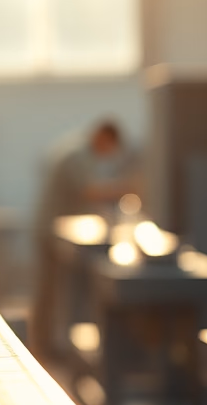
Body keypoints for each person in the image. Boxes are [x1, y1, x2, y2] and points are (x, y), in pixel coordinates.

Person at [29, 119, 139, 359]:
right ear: (104, 137)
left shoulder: (80, 153)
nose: (108, 155)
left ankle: (49, 346)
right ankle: (40, 350)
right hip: (50, 230)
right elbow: (89, 191)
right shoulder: (76, 155)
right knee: (49, 291)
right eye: (110, 149)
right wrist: (129, 188)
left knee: (56, 292)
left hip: (56, 228)